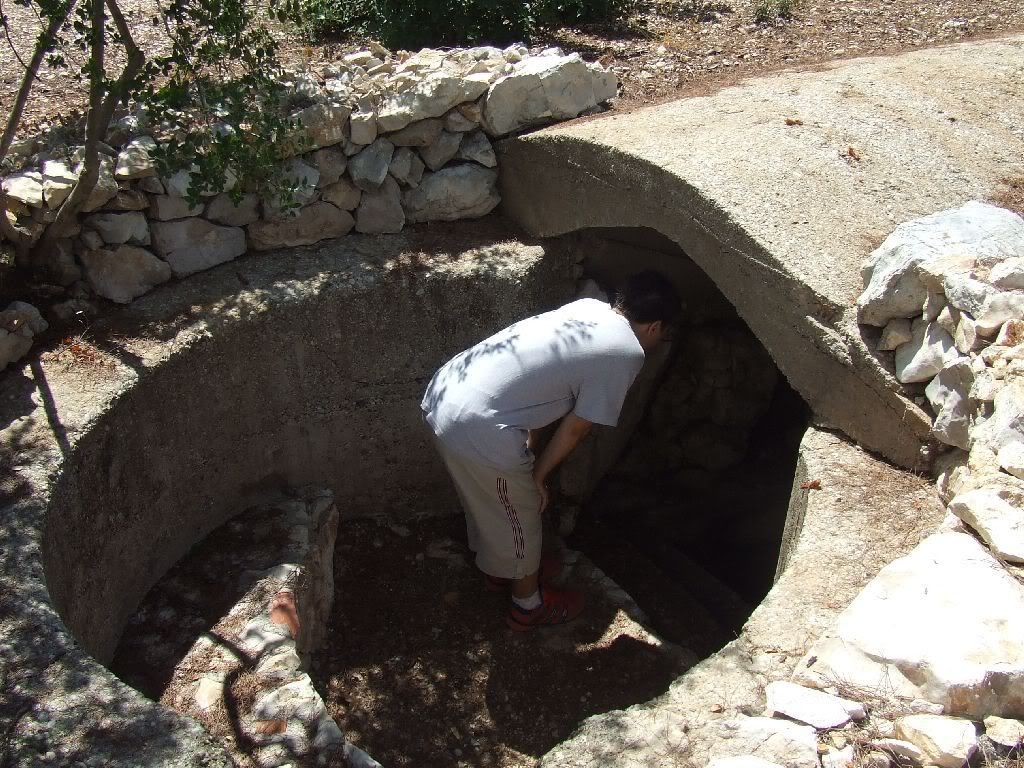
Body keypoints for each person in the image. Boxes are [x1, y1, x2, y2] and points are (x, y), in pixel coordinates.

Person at [421, 270, 681, 631]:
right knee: (522, 511)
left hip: (447, 391)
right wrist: (538, 477)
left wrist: (529, 456)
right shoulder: (626, 353)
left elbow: (539, 390)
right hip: (477, 425)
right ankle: (527, 605)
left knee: (492, 501)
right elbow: (577, 426)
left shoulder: (588, 308)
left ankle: (503, 571)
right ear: (655, 327)